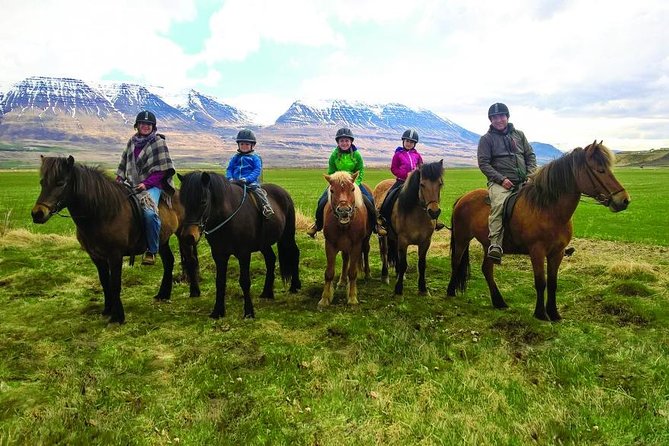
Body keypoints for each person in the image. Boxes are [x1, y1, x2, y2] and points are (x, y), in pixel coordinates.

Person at [477, 102, 537, 263]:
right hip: (500, 183)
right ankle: (495, 244)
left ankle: (551, 240)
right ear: (490, 120)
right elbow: (483, 164)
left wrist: (531, 175)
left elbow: (530, 156)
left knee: (544, 200)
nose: (498, 120)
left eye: (501, 116)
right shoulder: (486, 139)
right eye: (494, 117)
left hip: (525, 180)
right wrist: (501, 179)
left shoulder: (519, 135)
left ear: (507, 117)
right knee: (499, 205)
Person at [116, 110, 176, 266]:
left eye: (149, 124)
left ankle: (151, 249)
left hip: (152, 186)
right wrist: (119, 179)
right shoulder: (132, 142)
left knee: (149, 213)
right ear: (137, 126)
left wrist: (146, 184)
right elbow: (124, 163)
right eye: (143, 124)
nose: (145, 126)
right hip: (131, 184)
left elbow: (162, 170)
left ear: (153, 127)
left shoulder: (158, 142)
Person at [306, 127, 376, 237]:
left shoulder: (356, 155)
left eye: (347, 140)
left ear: (351, 142)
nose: (344, 143)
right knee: (321, 201)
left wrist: (355, 183)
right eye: (342, 141)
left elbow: (360, 170)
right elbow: (331, 171)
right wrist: (334, 182)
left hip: (352, 183)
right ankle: (318, 225)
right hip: (337, 184)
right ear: (338, 142)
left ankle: (375, 225)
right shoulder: (334, 155)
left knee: (369, 200)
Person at [377, 129, 429, 236]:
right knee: (389, 197)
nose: (409, 144)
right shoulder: (398, 154)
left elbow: (421, 167)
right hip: (401, 182)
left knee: (428, 196)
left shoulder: (417, 155)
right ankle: (382, 219)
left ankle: (433, 219)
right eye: (407, 141)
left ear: (414, 144)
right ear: (403, 141)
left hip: (415, 183)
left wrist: (419, 174)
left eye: (411, 142)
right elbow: (393, 168)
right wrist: (405, 175)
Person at [225, 129, 274, 219]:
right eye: (242, 144)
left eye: (247, 144)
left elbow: (256, 170)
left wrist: (247, 179)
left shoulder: (255, 158)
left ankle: (266, 207)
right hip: (234, 182)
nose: (244, 146)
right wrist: (229, 178)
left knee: (258, 192)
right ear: (238, 145)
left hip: (249, 182)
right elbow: (229, 169)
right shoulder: (235, 157)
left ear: (252, 145)